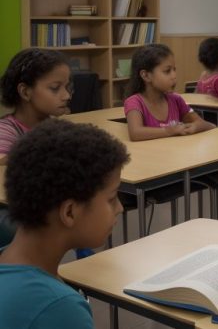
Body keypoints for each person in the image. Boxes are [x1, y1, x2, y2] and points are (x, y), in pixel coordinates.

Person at [0, 119, 129, 329]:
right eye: (112, 198)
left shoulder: (7, 258)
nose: (120, 208)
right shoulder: (58, 308)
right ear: (69, 212)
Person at [124, 44, 215, 141]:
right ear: (146, 75)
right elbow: (135, 133)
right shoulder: (134, 102)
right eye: (167, 71)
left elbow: (208, 125)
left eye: (174, 69)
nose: (174, 75)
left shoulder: (176, 99)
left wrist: (196, 127)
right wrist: (168, 131)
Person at [0, 49, 72, 162]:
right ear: (25, 92)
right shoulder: (5, 131)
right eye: (55, 88)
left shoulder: (55, 126)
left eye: (67, 87)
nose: (67, 96)